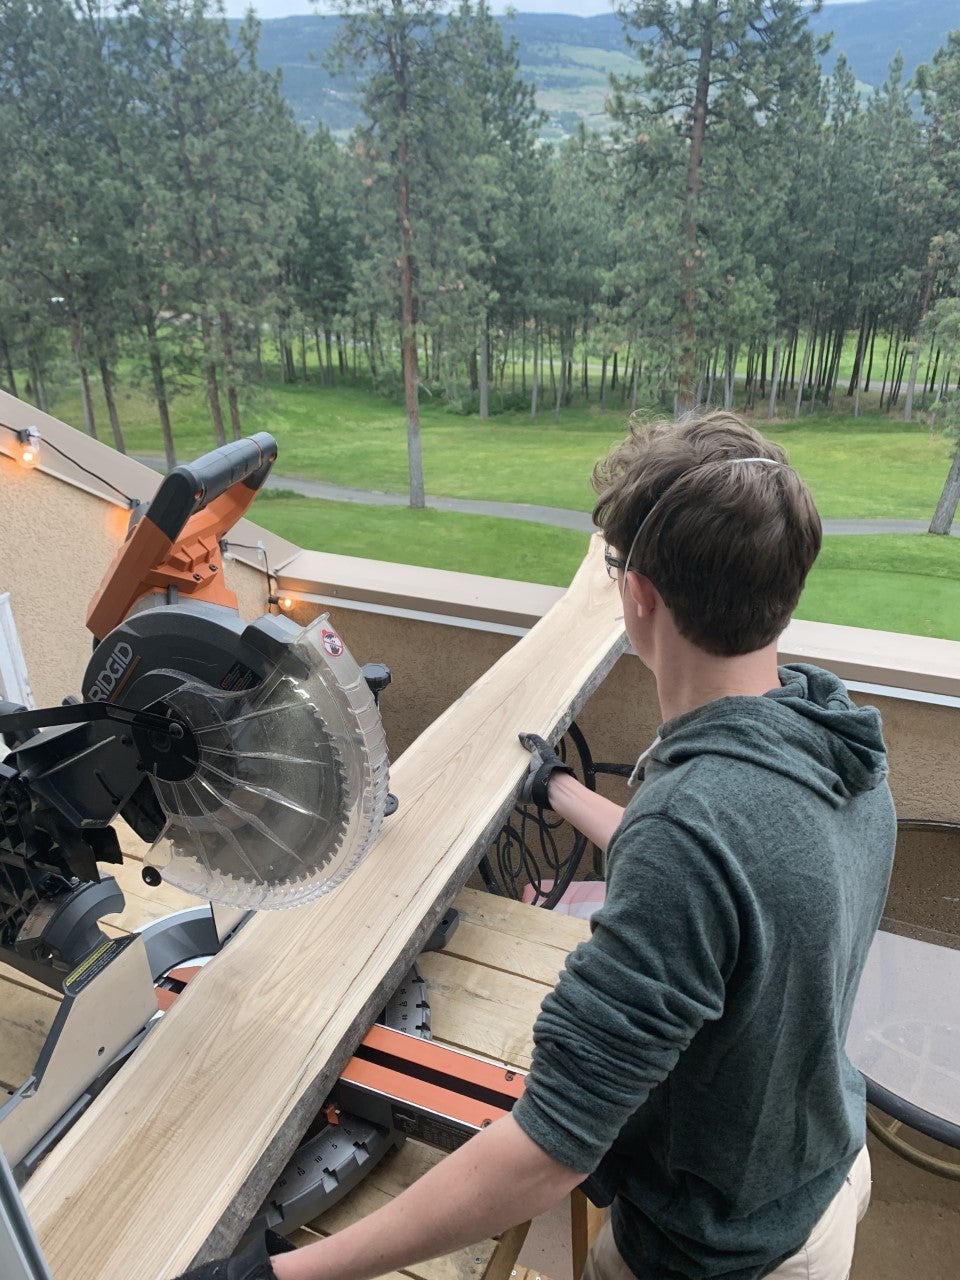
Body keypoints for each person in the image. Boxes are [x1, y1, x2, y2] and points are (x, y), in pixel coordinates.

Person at [175, 410, 895, 1280]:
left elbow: (548, 1150)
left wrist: (274, 1275)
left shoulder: (695, 825)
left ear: (637, 596)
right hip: (820, 1165)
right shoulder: (829, 730)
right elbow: (739, 883)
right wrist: (560, 792)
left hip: (718, 1253)